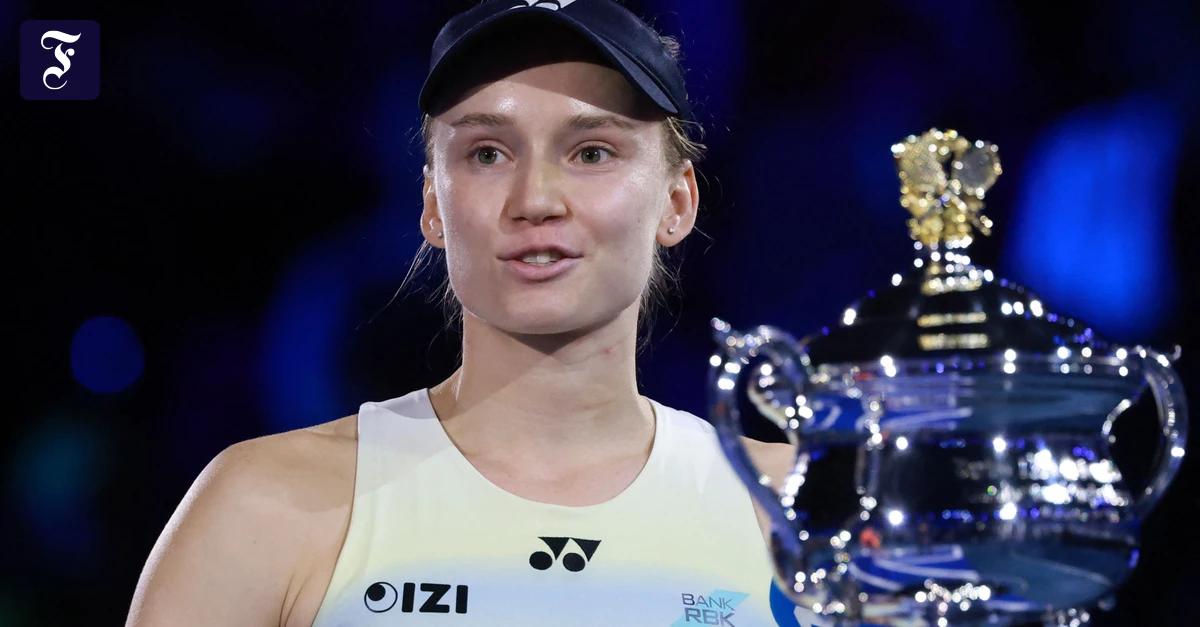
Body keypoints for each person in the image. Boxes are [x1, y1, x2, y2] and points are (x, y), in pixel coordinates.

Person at [126, 1, 796, 625]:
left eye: (592, 151)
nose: (536, 198)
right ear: (433, 205)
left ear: (678, 202)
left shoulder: (799, 510)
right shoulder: (264, 507)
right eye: (487, 153)